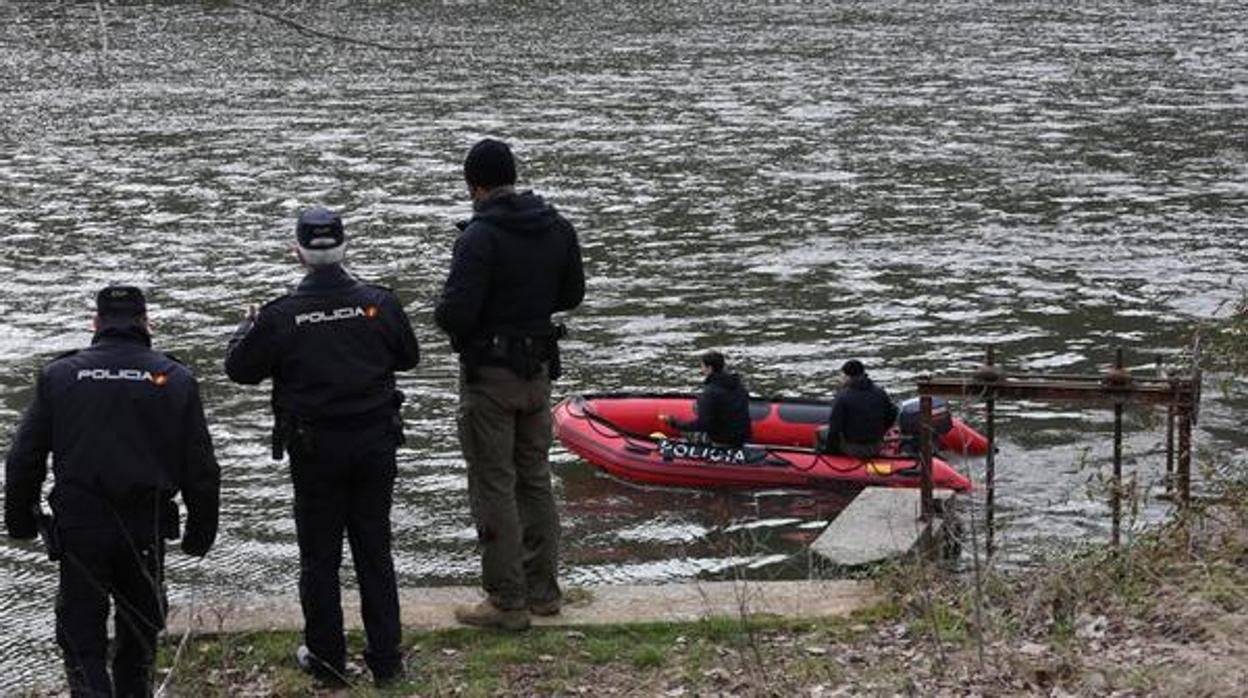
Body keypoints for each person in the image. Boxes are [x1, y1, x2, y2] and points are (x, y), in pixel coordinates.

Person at [224, 207, 420, 687]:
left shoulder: (279, 315)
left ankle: (329, 663)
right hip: (375, 444)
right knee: (375, 550)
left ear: (298, 253)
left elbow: (239, 369)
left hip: (316, 452)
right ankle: (386, 663)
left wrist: (245, 326)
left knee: (319, 557)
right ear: (345, 248)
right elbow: (410, 357)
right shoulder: (379, 303)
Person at [4, 285, 220, 696]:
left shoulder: (61, 375)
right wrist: (200, 535)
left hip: (81, 527)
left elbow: (24, 458)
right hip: (146, 525)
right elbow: (202, 470)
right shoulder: (174, 378)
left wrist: (20, 521)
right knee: (139, 637)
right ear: (145, 323)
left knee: (81, 639)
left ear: (96, 324)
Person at [435, 138, 584, 631]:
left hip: (489, 378)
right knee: (535, 479)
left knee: (492, 483)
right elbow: (572, 293)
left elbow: (453, 313)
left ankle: (505, 600)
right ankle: (544, 592)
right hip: (537, 373)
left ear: (475, 186)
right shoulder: (556, 227)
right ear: (513, 177)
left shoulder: (478, 238)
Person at [661, 350, 752, 447]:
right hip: (742, 437)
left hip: (723, 440)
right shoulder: (738, 385)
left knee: (686, 432)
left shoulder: (710, 392)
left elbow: (702, 424)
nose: (701, 369)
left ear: (709, 368)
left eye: (702, 366)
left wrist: (675, 423)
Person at [822, 359, 898, 457]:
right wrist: (882, 432)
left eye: (842, 375)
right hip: (876, 446)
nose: (840, 379)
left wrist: (831, 450)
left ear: (848, 376)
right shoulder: (880, 392)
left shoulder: (843, 397)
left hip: (854, 448)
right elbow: (892, 413)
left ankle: (826, 462)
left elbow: (834, 429)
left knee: (821, 432)